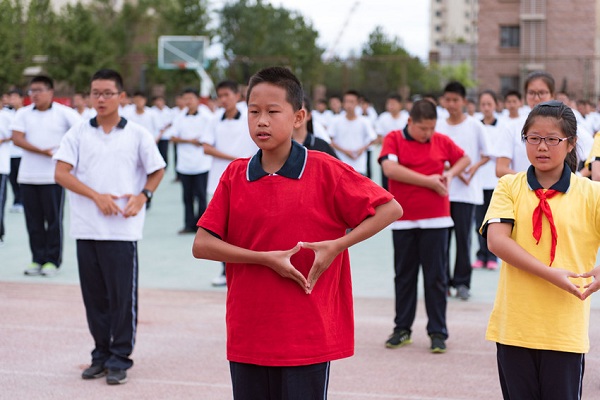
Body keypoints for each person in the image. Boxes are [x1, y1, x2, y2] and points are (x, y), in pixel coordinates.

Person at [192, 66, 402, 400]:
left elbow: (390, 208)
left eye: (273, 112)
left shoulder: (324, 168)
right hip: (249, 332)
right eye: (254, 112)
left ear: (298, 116)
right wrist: (264, 259)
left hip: (306, 334)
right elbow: (202, 244)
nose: (262, 121)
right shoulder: (235, 175)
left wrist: (338, 245)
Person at [480, 100, 600, 400]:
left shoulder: (591, 194)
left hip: (564, 331)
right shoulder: (509, 185)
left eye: (551, 139)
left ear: (571, 143)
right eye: (533, 138)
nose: (542, 147)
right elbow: (497, 241)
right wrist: (549, 274)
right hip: (515, 328)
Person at [54, 68, 165, 385]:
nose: (100, 99)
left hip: (121, 230)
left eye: (107, 93)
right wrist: (95, 195)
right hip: (86, 227)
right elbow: (61, 173)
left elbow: (156, 171)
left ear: (121, 97)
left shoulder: (138, 134)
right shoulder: (78, 132)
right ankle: (100, 354)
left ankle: (120, 357)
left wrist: (143, 196)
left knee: (121, 298)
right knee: (95, 298)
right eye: (95, 93)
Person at [380, 99, 470, 353]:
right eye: (422, 129)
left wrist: (451, 174)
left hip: (436, 221)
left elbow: (463, 158)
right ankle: (402, 329)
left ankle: (437, 332)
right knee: (405, 277)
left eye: (431, 128)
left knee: (436, 278)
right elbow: (390, 169)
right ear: (410, 122)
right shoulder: (394, 138)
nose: (427, 134)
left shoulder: (441, 140)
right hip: (403, 221)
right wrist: (429, 182)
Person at [11, 75, 82, 276]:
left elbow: (81, 133)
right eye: (32, 91)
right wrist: (43, 151)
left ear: (51, 92)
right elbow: (17, 139)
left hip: (53, 178)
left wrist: (65, 154)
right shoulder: (23, 114)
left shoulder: (64, 113)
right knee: (33, 222)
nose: (35, 94)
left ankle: (52, 260)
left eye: (39, 90)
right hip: (27, 177)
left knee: (53, 220)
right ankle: (37, 259)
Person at [436, 81, 490, 300]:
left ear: (464, 102)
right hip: (442, 191)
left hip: (467, 194)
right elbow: (435, 155)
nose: (451, 104)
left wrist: (472, 169)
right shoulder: (438, 125)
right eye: (447, 99)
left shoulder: (475, 125)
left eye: (455, 100)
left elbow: (487, 154)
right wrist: (456, 171)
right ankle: (443, 282)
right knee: (442, 240)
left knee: (463, 240)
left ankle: (462, 282)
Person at [202, 80, 257, 286]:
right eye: (220, 96)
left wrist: (241, 162)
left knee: (249, 227)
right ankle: (226, 271)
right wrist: (233, 158)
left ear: (237, 95)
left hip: (250, 179)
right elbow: (206, 147)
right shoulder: (214, 120)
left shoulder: (249, 116)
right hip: (219, 180)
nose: (223, 99)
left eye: (227, 95)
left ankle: (252, 267)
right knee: (224, 230)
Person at [170, 88, 213, 234]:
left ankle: (202, 227)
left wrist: (199, 142)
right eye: (186, 98)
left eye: (191, 98)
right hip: (185, 164)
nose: (188, 101)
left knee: (201, 195)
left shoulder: (206, 115)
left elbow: (209, 137)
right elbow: (173, 137)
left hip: (202, 163)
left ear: (197, 99)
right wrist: (189, 141)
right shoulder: (179, 116)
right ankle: (189, 225)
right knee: (187, 196)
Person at [473, 90, 503, 270]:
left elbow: (497, 152)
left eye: (489, 104)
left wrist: (488, 154)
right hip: (478, 182)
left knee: (493, 221)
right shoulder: (475, 125)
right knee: (479, 221)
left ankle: (492, 256)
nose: (486, 108)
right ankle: (480, 254)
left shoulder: (503, 126)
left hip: (495, 181)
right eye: (483, 104)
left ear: (495, 105)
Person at [329, 90, 377, 176]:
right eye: (346, 101)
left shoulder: (364, 121)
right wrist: (345, 151)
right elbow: (330, 140)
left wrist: (361, 150)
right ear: (343, 103)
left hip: (359, 165)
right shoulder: (336, 120)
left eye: (352, 102)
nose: (349, 105)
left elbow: (373, 139)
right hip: (341, 163)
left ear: (358, 103)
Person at [375, 94, 409, 190]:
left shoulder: (406, 117)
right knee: (386, 182)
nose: (391, 106)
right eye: (389, 103)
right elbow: (380, 136)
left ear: (400, 105)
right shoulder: (383, 118)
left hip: (403, 153)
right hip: (387, 153)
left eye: (393, 103)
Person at [5, 89, 24, 213]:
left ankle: (22, 201)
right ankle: (17, 200)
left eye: (15, 97)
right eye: (10, 97)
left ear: (21, 98)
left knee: (21, 179)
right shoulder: (6, 113)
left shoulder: (26, 113)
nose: (12, 100)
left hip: (22, 153)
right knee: (12, 180)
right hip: (10, 153)